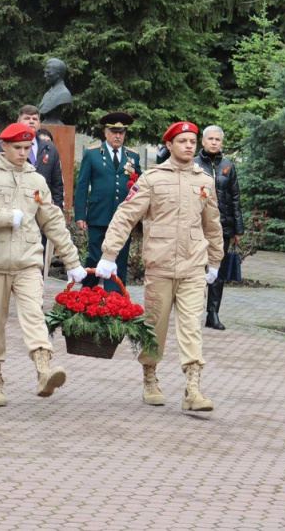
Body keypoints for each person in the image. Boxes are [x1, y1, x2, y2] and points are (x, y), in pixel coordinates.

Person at [94, 121, 224, 412]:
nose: (189, 146)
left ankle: (193, 388)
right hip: (160, 266)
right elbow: (126, 215)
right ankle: (150, 377)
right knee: (155, 328)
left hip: (193, 266)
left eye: (192, 141)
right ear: (169, 146)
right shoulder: (151, 179)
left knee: (192, 327)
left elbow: (212, 225)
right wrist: (109, 254)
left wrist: (215, 260)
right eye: (183, 141)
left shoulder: (204, 181)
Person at [0, 123, 86, 407]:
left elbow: (52, 221)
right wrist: (5, 216)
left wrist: (72, 260)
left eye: (27, 148)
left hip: (28, 262)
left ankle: (44, 370)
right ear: (3, 146)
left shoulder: (36, 181)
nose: (23, 153)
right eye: (17, 148)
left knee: (34, 316)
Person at [74, 112, 142, 292]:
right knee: (95, 257)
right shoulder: (93, 153)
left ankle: (116, 302)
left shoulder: (132, 156)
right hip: (99, 215)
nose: (118, 136)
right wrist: (80, 214)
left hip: (123, 218)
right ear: (105, 133)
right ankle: (87, 296)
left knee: (119, 258)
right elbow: (82, 185)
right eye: (113, 131)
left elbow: (140, 186)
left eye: (121, 132)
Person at [194, 125, 244, 330]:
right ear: (203, 141)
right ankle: (192, 312)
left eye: (218, 139)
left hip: (221, 228)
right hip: (196, 227)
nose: (214, 142)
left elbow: (235, 199)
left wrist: (238, 229)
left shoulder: (228, 166)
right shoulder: (193, 164)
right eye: (210, 139)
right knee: (195, 270)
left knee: (218, 272)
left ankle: (212, 314)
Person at [12, 105, 64, 208]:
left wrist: (57, 210)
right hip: (15, 208)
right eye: (27, 118)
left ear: (39, 124)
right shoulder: (6, 146)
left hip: (43, 207)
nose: (31, 121)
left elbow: (57, 184)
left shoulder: (50, 148)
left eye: (35, 119)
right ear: (18, 122)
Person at [37, 58, 73, 125]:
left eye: (48, 72)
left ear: (58, 74)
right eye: (45, 72)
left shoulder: (64, 93)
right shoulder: (47, 93)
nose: (45, 76)